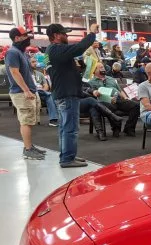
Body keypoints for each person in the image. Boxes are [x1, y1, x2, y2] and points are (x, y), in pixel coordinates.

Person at [46, 23, 101, 167]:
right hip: (67, 94)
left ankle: (67, 156)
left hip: (62, 93)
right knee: (70, 128)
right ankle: (67, 159)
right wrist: (91, 33)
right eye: (64, 33)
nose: (67, 36)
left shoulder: (51, 51)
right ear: (56, 36)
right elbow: (79, 47)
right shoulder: (57, 49)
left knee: (65, 128)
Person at [6, 27, 45, 160]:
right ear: (17, 38)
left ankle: (29, 146)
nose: (27, 38)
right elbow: (14, 72)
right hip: (21, 93)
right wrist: (26, 90)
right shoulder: (12, 52)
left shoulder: (21, 52)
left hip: (28, 91)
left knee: (29, 120)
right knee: (26, 121)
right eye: (24, 36)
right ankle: (28, 150)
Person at [89, 62, 139, 136]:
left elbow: (120, 90)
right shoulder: (91, 82)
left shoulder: (111, 79)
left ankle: (129, 128)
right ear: (94, 70)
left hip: (118, 99)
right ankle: (116, 128)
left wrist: (125, 97)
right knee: (109, 108)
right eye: (100, 67)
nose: (103, 68)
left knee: (136, 106)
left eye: (103, 67)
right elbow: (94, 95)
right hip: (105, 101)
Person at [29, 57, 59, 126]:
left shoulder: (40, 74)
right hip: (31, 92)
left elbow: (46, 86)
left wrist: (42, 90)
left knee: (49, 96)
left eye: (35, 62)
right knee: (50, 96)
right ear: (28, 63)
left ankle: (53, 120)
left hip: (41, 92)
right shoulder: (26, 74)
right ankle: (53, 119)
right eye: (33, 62)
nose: (35, 63)